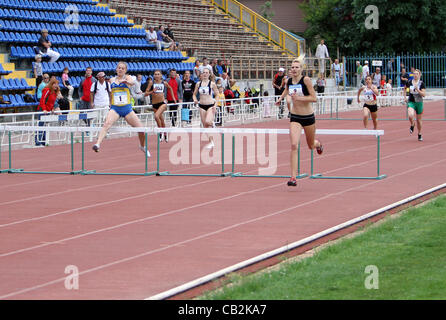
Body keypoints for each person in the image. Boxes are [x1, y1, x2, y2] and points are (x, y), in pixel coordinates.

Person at [275, 57, 323, 187]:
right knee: (294, 145)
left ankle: (318, 144)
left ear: (301, 69)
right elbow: (286, 89)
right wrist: (280, 98)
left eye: (297, 67)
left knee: (310, 145)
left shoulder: (306, 80)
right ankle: (293, 177)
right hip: (295, 117)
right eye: (292, 67)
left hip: (308, 117)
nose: (294, 69)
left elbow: (314, 98)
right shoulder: (288, 80)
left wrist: (299, 98)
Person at [92, 62, 150, 157]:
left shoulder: (128, 78)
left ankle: (142, 146)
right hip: (115, 108)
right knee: (107, 124)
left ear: (125, 70)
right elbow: (111, 92)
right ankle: (97, 144)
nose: (120, 70)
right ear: (116, 69)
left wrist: (126, 82)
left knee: (141, 129)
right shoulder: (112, 79)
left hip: (127, 109)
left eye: (122, 68)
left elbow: (132, 83)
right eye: (119, 68)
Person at [144, 70, 175, 142]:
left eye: (158, 74)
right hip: (154, 104)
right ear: (153, 75)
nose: (157, 75)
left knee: (156, 116)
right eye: (155, 74)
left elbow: (170, 88)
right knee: (161, 120)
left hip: (162, 103)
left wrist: (173, 98)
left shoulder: (164, 83)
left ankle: (160, 132)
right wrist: (152, 91)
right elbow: (146, 93)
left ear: (161, 75)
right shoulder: (151, 83)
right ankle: (164, 133)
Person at [193, 67, 219, 149]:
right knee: (205, 126)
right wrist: (195, 99)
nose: (205, 74)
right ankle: (212, 142)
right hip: (202, 105)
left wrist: (215, 105)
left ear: (209, 74)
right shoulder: (198, 84)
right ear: (201, 74)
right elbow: (194, 94)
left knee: (208, 121)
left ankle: (213, 124)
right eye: (203, 72)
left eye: (206, 72)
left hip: (210, 105)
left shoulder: (212, 84)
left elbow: (217, 95)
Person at [36, 77, 61, 146]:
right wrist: (44, 109)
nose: (56, 85)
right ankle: (38, 141)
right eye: (55, 84)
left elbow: (52, 102)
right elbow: (42, 100)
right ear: (51, 84)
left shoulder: (55, 92)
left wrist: (52, 109)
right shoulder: (47, 90)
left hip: (48, 111)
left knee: (45, 125)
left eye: (57, 84)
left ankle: (44, 141)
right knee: (40, 125)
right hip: (43, 110)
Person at [405, 69, 426, 141]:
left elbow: (424, 95)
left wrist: (418, 90)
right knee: (410, 115)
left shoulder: (421, 83)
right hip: (411, 101)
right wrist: (405, 97)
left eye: (417, 74)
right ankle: (412, 124)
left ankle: (419, 134)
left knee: (419, 120)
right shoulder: (409, 82)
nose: (415, 75)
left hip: (419, 102)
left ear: (419, 75)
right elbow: (405, 89)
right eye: (414, 74)